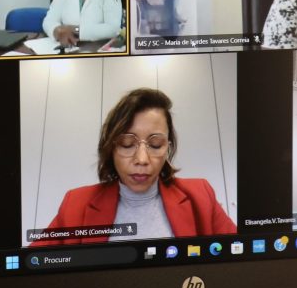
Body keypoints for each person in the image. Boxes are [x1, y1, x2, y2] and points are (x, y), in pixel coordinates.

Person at [31, 88, 236, 246]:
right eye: (127, 144)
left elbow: (238, 254)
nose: (142, 159)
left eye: (155, 144)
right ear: (111, 147)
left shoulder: (201, 195)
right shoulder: (75, 204)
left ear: (167, 147)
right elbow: (32, 266)